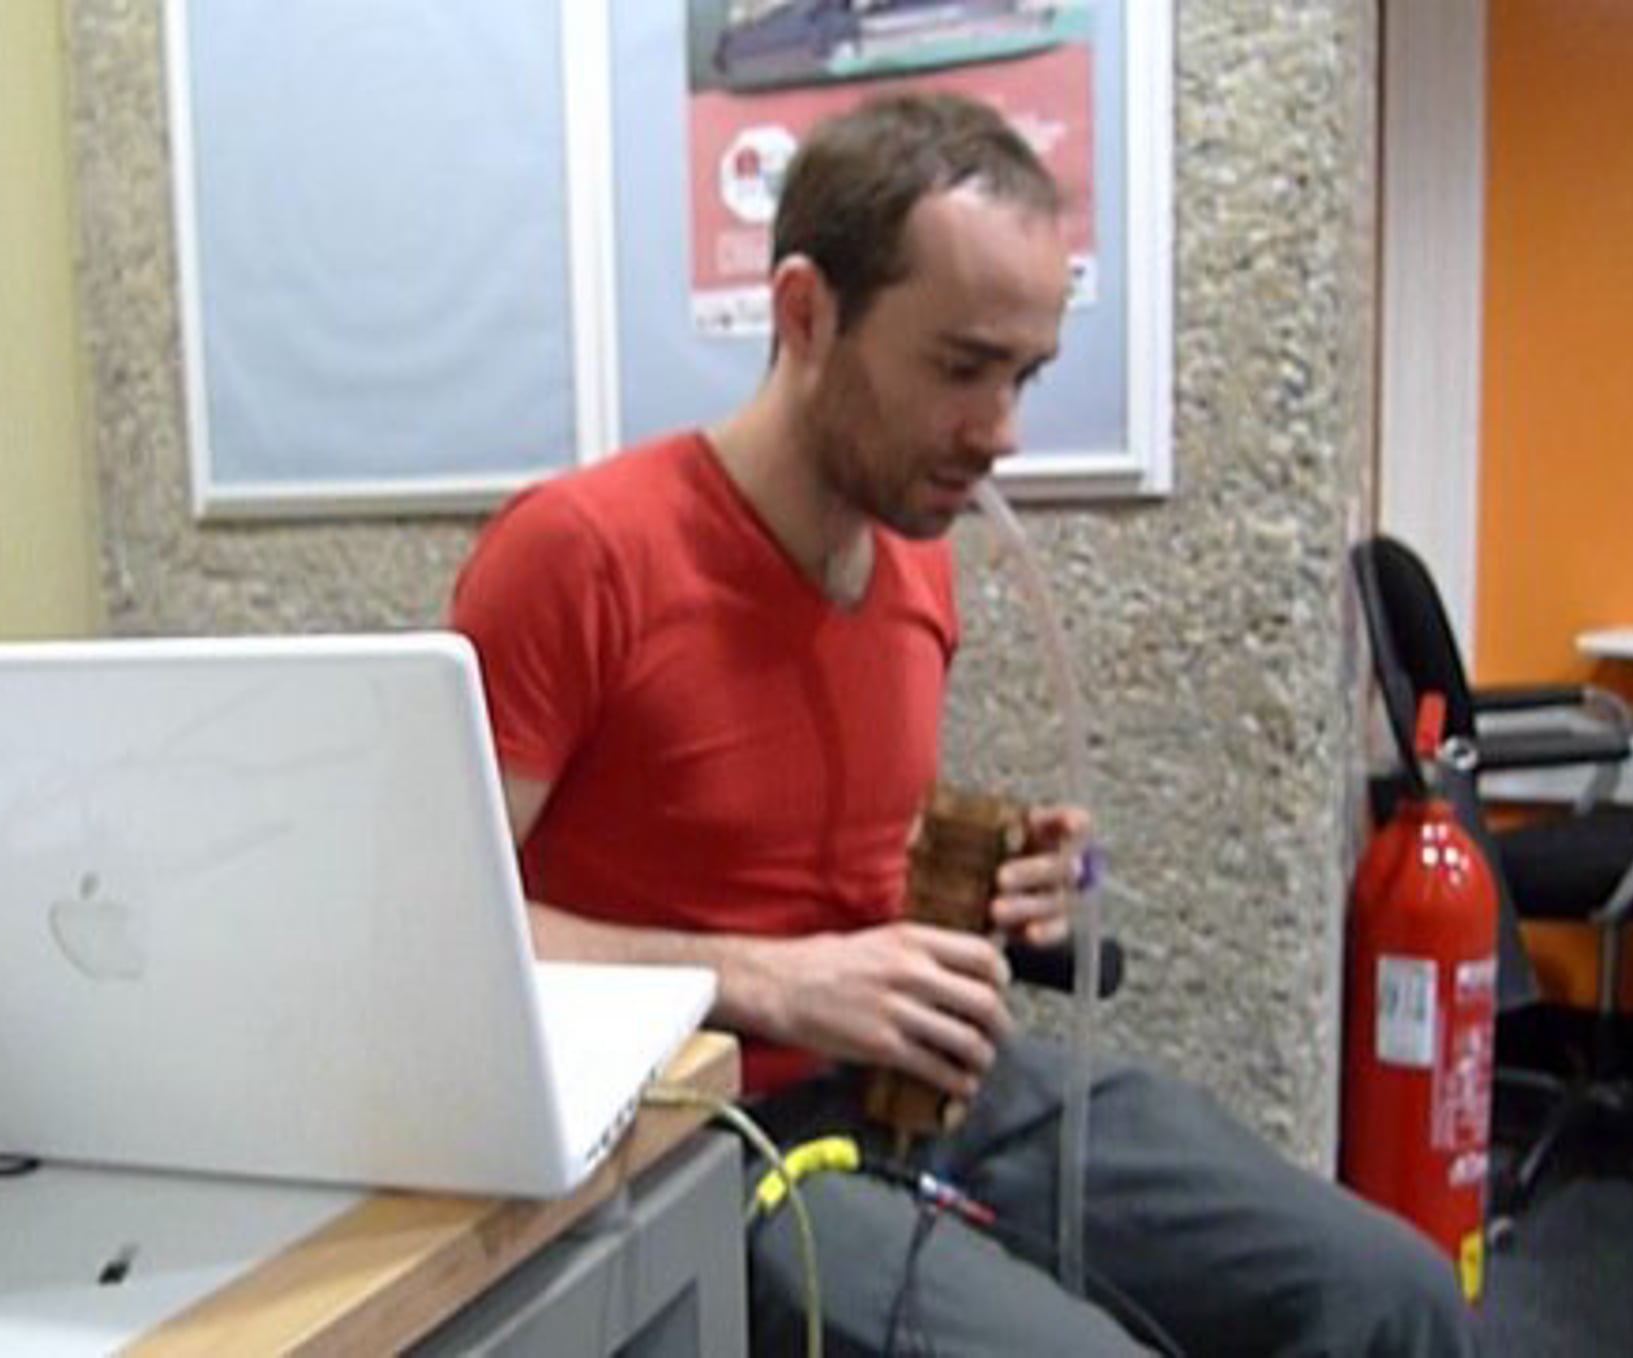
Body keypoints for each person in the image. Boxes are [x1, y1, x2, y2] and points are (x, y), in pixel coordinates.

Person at [451, 92, 1471, 1355]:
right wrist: (768, 980)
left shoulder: (916, 558)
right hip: (707, 1137)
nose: (1001, 433)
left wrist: (1028, 885)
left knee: (1392, 1295)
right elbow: (440, 943)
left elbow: (815, 864)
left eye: (1022, 375)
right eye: (959, 368)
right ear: (804, 314)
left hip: (924, 1089)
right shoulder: (582, 554)